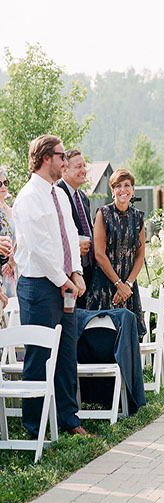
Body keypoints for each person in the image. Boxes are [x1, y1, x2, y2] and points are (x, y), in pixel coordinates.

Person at [13, 134, 92, 437]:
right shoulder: (28, 197)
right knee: (39, 355)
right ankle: (35, 426)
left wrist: (76, 272)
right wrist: (64, 280)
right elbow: (39, 248)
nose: (65, 161)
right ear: (46, 158)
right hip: (39, 287)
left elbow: (70, 236)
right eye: (61, 156)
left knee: (66, 354)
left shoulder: (59, 195)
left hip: (65, 284)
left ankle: (69, 420)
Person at [85, 168, 146, 339]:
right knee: (103, 338)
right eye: (118, 186)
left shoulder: (138, 217)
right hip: (104, 285)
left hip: (128, 288)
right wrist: (118, 284)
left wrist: (128, 284)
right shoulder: (103, 214)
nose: (123, 190)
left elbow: (140, 255)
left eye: (127, 185)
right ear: (112, 190)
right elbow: (99, 254)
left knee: (127, 340)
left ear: (133, 189)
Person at [57, 150, 93, 307]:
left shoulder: (83, 197)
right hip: (67, 275)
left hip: (86, 271)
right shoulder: (57, 194)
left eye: (84, 166)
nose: (83, 170)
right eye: (78, 166)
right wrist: (73, 245)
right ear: (64, 169)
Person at [0, 165, 17, 297]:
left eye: (5, 183)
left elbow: (20, 238)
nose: (3, 187)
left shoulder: (12, 210)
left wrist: (13, 260)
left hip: (12, 265)